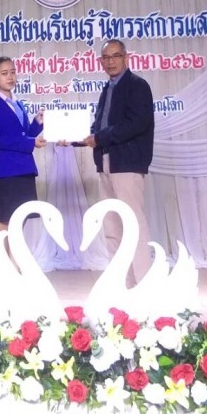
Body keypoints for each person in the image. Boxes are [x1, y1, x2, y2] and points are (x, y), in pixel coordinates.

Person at [83, 39, 154, 288]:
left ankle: (142, 285)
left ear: (126, 58)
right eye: (106, 57)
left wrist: (99, 138)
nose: (111, 61)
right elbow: (100, 126)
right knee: (112, 224)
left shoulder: (137, 86)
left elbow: (135, 123)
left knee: (133, 223)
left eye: (116, 56)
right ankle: (121, 283)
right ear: (100, 61)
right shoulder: (108, 88)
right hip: (106, 162)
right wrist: (76, 139)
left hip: (127, 163)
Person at [0, 56, 45, 234]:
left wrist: (37, 123)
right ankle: (0, 253)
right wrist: (31, 142)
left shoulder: (18, 104)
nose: (10, 77)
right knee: (6, 220)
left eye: (13, 72)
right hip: (7, 171)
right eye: (4, 73)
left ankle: (14, 254)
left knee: (21, 221)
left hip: (25, 169)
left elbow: (24, 135)